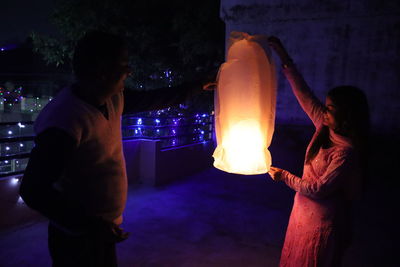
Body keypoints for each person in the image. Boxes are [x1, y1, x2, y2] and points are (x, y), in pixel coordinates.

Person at [19, 31, 209, 267]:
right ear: (101, 71)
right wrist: (89, 226)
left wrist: (198, 86)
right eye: (123, 64)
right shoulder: (65, 120)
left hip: (102, 230)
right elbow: (33, 189)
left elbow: (154, 99)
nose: (129, 71)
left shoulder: (111, 97)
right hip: (76, 239)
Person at [267, 36, 370, 266]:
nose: (325, 111)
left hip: (322, 222)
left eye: (331, 109)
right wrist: (283, 57)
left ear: (346, 116)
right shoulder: (324, 126)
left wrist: (284, 176)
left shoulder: (346, 153)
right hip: (301, 213)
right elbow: (303, 94)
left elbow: (318, 189)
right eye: (325, 106)